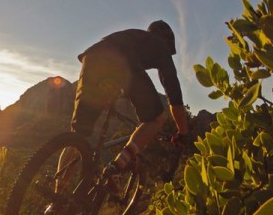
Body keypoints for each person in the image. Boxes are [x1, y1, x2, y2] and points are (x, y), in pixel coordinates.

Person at [55, 20, 188, 197]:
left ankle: (56, 197)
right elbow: (173, 92)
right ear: (167, 40)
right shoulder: (160, 46)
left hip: (92, 58)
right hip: (125, 64)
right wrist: (183, 131)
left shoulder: (131, 35)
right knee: (156, 118)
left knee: (78, 135)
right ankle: (117, 167)